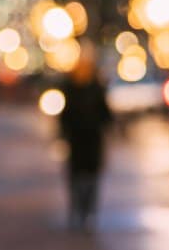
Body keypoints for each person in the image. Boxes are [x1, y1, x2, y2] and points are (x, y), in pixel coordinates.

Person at [58, 37, 112, 232]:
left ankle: (88, 210)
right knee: (76, 177)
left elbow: (106, 113)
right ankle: (78, 210)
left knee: (91, 177)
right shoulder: (70, 87)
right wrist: (62, 134)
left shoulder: (96, 87)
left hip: (92, 139)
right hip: (76, 139)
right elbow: (64, 115)